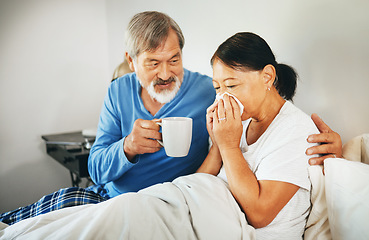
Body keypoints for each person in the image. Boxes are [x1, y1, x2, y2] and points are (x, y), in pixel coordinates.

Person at [0, 11, 342, 226]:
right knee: (45, 214)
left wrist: (334, 154)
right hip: (118, 193)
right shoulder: (118, 92)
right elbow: (95, 168)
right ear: (131, 61)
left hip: (168, 204)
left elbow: (279, 122)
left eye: (174, 59)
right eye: (153, 62)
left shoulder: (209, 96)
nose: (166, 73)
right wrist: (128, 148)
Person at [196, 32, 318, 238]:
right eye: (217, 88)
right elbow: (196, 188)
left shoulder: (296, 129)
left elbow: (259, 214)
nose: (222, 97)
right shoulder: (235, 124)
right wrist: (218, 144)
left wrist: (229, 147)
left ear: (267, 76)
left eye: (232, 85)